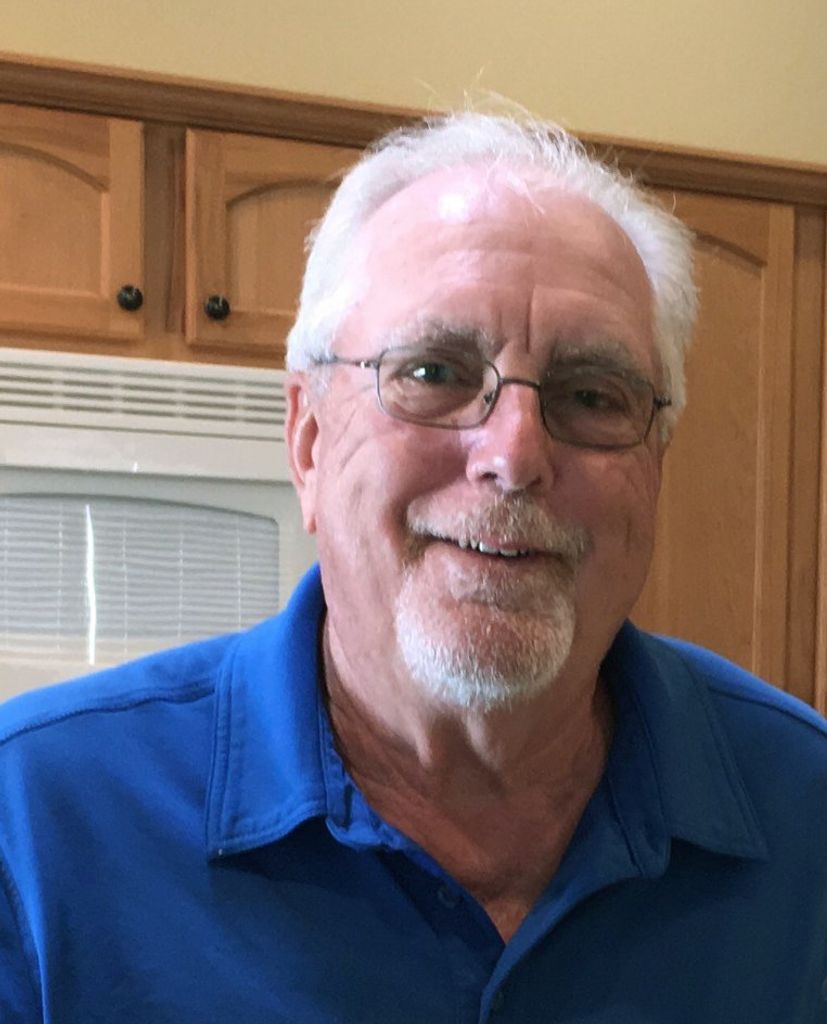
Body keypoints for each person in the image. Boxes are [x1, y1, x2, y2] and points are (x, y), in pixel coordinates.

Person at [1, 112, 826, 1024]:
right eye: (433, 373)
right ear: (309, 442)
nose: (513, 456)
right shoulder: (34, 825)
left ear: (655, 465)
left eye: (592, 396)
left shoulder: (805, 810)